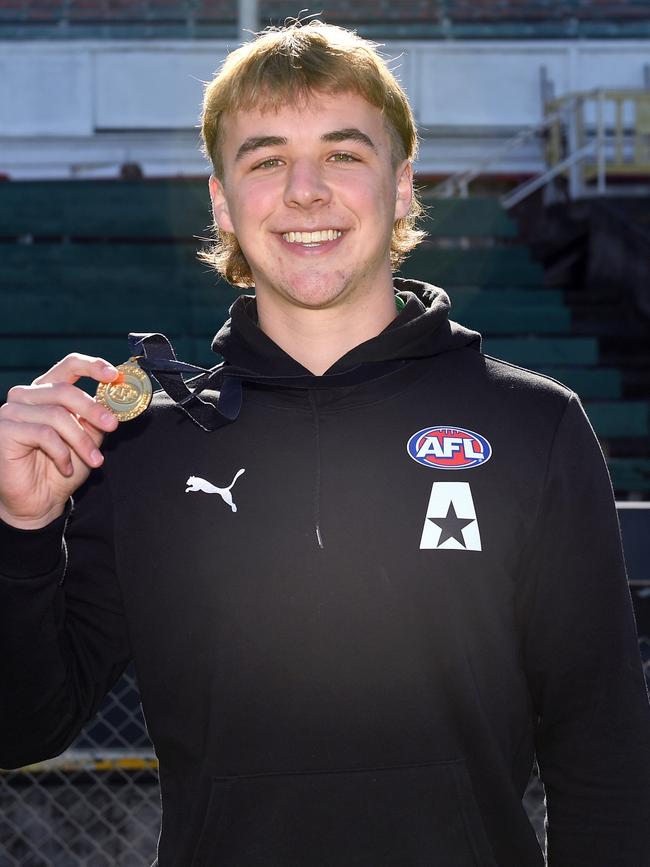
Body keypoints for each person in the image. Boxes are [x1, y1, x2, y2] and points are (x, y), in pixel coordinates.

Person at [0, 21, 649, 867]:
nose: (306, 191)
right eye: (266, 159)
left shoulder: (535, 426)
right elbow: (23, 728)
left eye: (343, 153)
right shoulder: (145, 451)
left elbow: (604, 753)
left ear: (403, 185)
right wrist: (19, 535)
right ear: (223, 202)